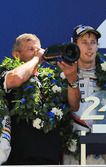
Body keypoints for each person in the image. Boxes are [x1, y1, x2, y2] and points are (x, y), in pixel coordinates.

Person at [0, 33, 80, 164]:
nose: (39, 53)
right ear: (16, 54)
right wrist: (36, 59)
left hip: (50, 158)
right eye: (31, 49)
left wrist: (72, 79)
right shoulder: (7, 72)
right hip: (19, 159)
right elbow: (15, 79)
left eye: (39, 49)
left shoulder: (51, 80)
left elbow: (74, 105)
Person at [63, 25, 106, 165]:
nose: (89, 47)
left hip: (105, 151)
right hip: (73, 152)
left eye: (93, 42)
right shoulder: (63, 75)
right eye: (84, 42)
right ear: (74, 45)